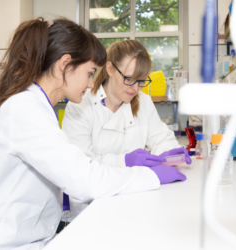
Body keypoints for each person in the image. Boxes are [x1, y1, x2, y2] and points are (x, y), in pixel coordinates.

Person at [0, 18, 186, 250]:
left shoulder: (38, 106)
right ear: (65, 64)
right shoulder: (24, 109)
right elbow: (84, 179)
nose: (91, 83)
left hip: (30, 237)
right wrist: (152, 177)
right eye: (89, 73)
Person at [61, 40, 191, 223]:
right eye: (129, 79)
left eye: (141, 80)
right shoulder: (81, 104)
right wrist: (124, 161)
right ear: (110, 69)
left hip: (134, 198)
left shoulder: (143, 101)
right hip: (90, 209)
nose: (136, 88)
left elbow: (161, 138)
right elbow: (81, 165)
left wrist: (169, 153)